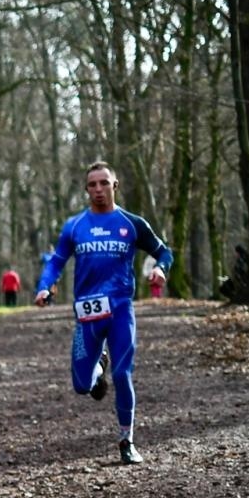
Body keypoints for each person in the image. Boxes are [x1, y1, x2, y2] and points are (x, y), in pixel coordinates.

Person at [35, 161, 172, 465]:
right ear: (86, 189)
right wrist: (45, 285)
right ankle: (99, 364)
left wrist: (161, 269)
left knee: (123, 375)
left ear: (115, 185)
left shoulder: (132, 223)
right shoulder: (75, 226)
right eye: (92, 185)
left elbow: (164, 251)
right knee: (82, 386)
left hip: (121, 310)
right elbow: (56, 261)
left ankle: (127, 440)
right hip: (87, 314)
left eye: (103, 183)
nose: (98, 189)